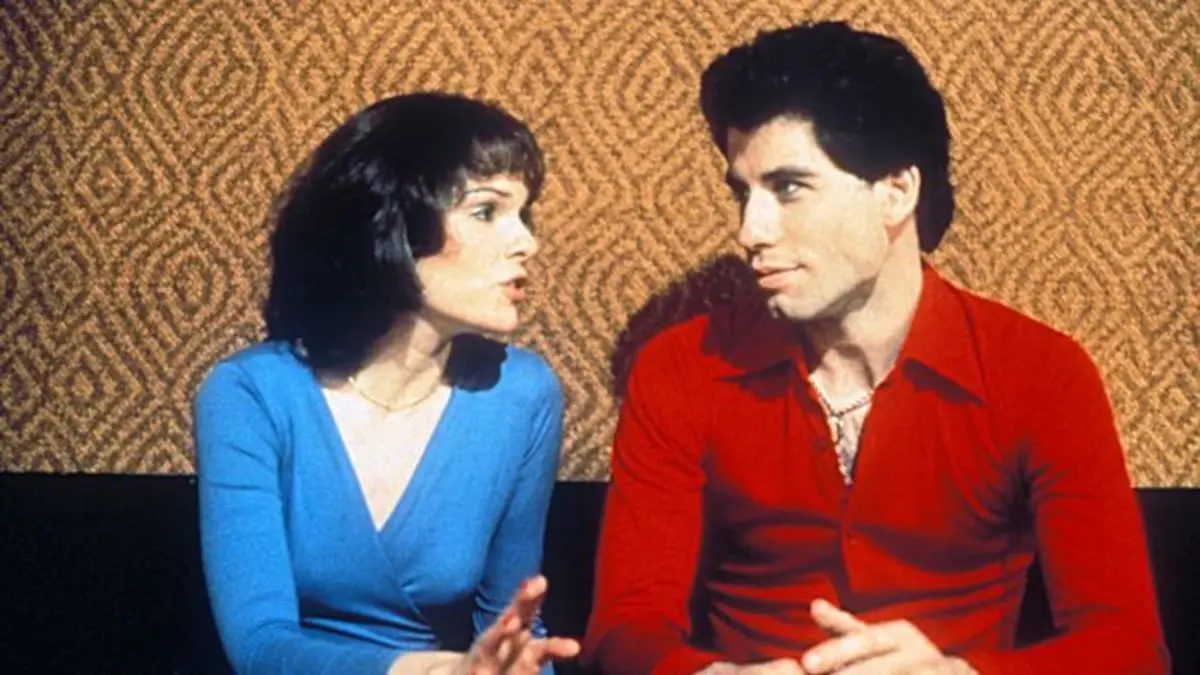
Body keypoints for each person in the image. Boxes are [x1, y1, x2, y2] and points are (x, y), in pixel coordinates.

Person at [583, 21, 1168, 675]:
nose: (750, 230)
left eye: (789, 187)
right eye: (742, 193)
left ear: (896, 192)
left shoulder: (1040, 373)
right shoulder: (682, 367)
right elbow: (622, 632)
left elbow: (1130, 647)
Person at [194, 92, 579, 674]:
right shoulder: (250, 394)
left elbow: (510, 629)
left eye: (524, 216)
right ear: (393, 226)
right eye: (486, 212)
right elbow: (261, 646)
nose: (527, 242)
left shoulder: (522, 394)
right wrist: (432, 672)